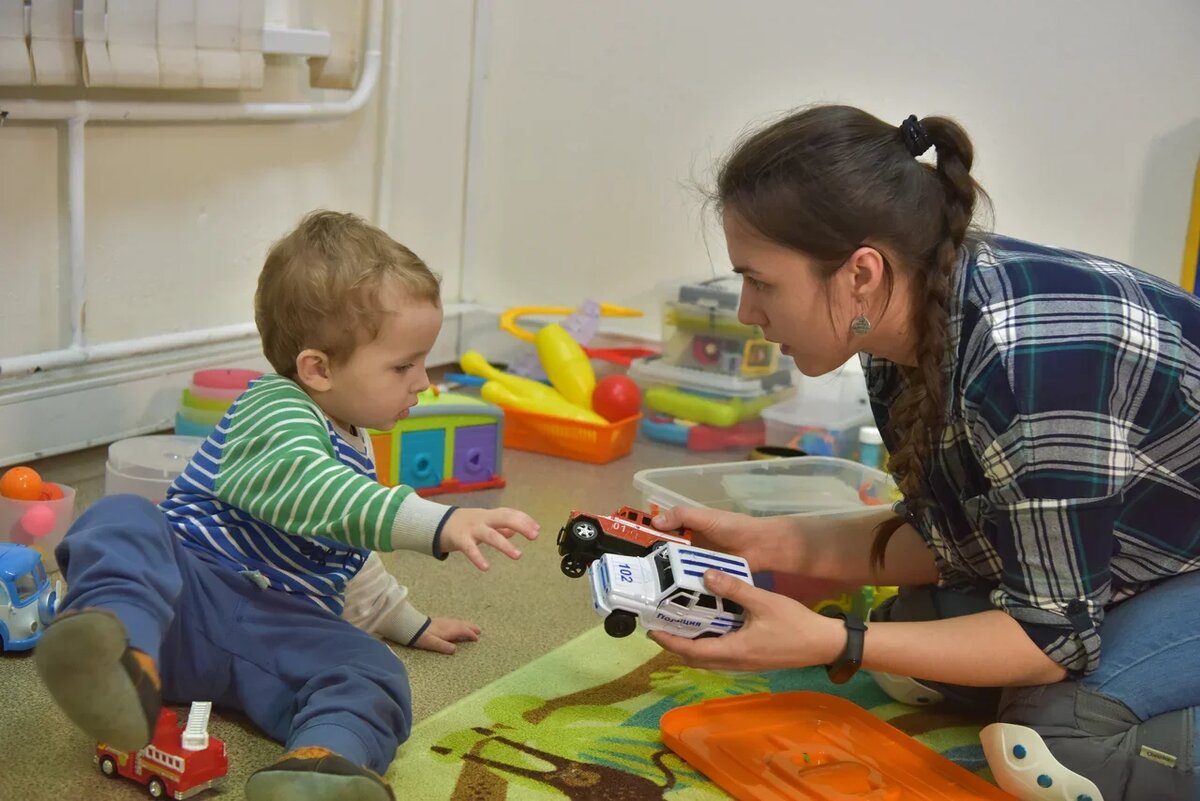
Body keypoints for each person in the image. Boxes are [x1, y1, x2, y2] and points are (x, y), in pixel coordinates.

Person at [649, 105, 1200, 800]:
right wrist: (758, 543)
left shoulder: (1027, 364)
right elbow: (950, 539)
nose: (746, 313)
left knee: (1054, 746)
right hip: (1155, 549)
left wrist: (835, 642)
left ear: (860, 274)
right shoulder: (899, 330)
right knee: (913, 642)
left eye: (759, 281)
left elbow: (1050, 638)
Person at [34, 210, 540, 801]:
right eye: (403, 365)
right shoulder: (275, 407)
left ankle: (319, 765)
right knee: (121, 517)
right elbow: (315, 494)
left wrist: (406, 621)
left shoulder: (354, 435)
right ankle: (119, 651)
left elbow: (345, 547)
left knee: (372, 671)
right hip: (183, 596)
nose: (423, 381)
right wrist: (439, 521)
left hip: (277, 631)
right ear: (317, 369)